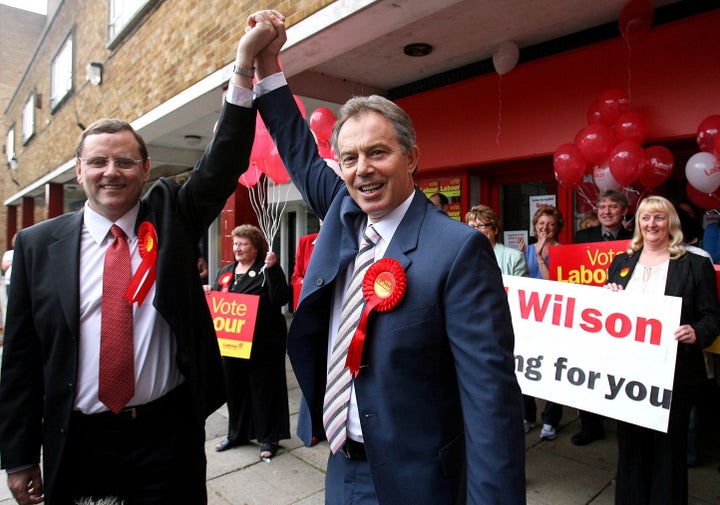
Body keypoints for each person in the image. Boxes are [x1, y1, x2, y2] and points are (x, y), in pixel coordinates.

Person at [0, 17, 276, 505]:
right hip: (76, 438)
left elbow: (222, 164)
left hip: (165, 435)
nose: (113, 172)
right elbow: (20, 360)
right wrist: (19, 455)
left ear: (145, 169)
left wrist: (242, 66)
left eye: (126, 161)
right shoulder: (36, 245)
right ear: (79, 170)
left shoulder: (169, 216)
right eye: (100, 162)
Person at [253, 11, 525, 504]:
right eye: (351, 158)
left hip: (420, 480)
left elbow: (491, 403)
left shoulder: (459, 250)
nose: (363, 171)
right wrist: (268, 63)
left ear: (412, 158)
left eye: (378, 153)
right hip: (341, 468)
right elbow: (296, 147)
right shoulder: (341, 210)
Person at [604, 195, 720, 505]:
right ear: (638, 224)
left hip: (676, 376)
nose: (651, 224)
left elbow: (712, 317)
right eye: (645, 218)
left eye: (658, 217)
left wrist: (696, 332)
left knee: (669, 452)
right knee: (630, 449)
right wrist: (608, 298)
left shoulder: (695, 263)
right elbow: (608, 317)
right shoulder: (622, 262)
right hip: (628, 375)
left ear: (671, 222)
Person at [206, 224, 291, 460]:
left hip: (264, 344)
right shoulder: (226, 272)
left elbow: (280, 298)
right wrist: (208, 293)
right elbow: (220, 303)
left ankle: (269, 437)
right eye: (235, 243)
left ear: (256, 248)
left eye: (243, 244)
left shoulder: (267, 270)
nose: (237, 248)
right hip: (233, 343)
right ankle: (237, 434)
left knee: (264, 390)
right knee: (235, 389)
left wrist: (273, 270)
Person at [572, 189, 634, 446]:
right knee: (587, 370)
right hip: (591, 314)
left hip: (624, 317)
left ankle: (626, 426)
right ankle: (591, 426)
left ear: (624, 211)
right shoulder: (582, 236)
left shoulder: (636, 238)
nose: (607, 212)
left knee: (623, 372)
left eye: (613, 207)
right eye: (602, 207)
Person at [524, 205, 564, 440]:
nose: (545, 228)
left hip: (555, 320)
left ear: (557, 227)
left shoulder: (563, 251)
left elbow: (556, 285)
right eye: (541, 223)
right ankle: (527, 415)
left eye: (550, 224)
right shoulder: (524, 249)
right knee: (525, 367)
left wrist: (540, 259)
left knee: (554, 370)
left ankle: (550, 420)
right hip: (530, 319)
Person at [465, 204, 528, 277]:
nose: (475, 231)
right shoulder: (464, 257)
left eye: (481, 225)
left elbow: (519, 287)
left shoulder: (515, 258)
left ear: (495, 230)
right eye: (471, 227)